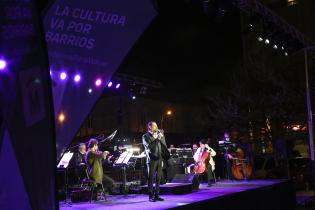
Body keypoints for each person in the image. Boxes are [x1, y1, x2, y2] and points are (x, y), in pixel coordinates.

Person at [142, 121, 170, 202]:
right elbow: (150, 147)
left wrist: (162, 137)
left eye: (156, 126)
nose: (156, 127)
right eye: (154, 126)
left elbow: (164, 146)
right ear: (150, 127)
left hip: (159, 159)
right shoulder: (145, 136)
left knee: (158, 178)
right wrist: (157, 139)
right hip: (151, 160)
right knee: (150, 178)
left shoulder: (159, 135)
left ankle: (157, 194)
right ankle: (150, 196)